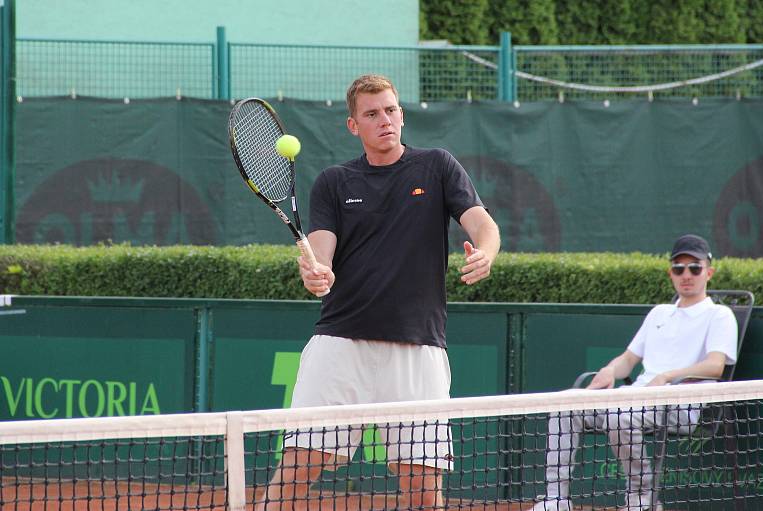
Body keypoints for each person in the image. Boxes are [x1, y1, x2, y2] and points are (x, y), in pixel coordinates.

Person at [264, 74, 501, 511]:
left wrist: (485, 252)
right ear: (354, 125)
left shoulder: (438, 166)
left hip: (418, 347)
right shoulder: (334, 182)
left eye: (390, 110)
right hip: (340, 344)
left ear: (402, 115)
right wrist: (315, 273)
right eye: (372, 114)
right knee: (297, 468)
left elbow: (483, 224)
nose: (384, 120)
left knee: (424, 491)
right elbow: (321, 255)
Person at [531, 234, 738, 511]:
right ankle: (557, 499)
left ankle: (642, 500)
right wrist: (609, 371)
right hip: (635, 398)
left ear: (708, 272)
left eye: (694, 268)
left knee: (620, 416)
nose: (686, 274)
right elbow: (629, 359)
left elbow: (716, 365)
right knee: (564, 403)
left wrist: (667, 376)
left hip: (680, 404)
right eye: (679, 268)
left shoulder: (720, 315)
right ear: (671, 273)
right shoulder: (659, 313)